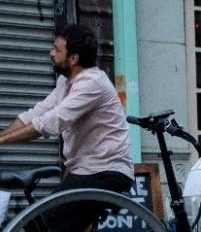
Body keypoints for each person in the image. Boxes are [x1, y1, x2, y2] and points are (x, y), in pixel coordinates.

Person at [0, 24, 132, 195]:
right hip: (85, 171)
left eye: (56, 49)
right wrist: (2, 136)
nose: (51, 53)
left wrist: (2, 141)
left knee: (44, 220)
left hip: (105, 172)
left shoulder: (92, 83)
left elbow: (53, 121)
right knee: (48, 218)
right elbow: (36, 113)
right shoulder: (66, 82)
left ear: (73, 59)